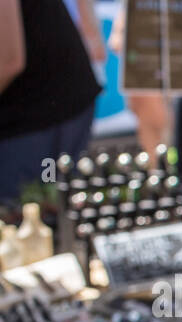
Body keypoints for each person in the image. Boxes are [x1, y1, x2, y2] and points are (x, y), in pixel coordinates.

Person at [0, 0, 101, 205]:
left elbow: (9, 60)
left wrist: (91, 29)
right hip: (53, 102)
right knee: (54, 201)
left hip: (41, 116)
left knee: (39, 207)